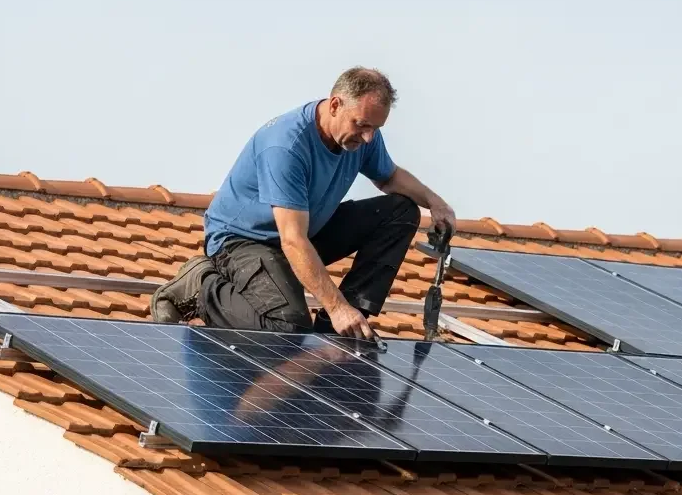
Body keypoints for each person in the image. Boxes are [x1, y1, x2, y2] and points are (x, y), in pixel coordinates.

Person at [150, 67, 456, 340]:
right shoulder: (286, 146)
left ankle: (340, 330)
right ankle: (200, 287)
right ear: (335, 104)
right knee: (288, 329)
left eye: (375, 129)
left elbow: (389, 178)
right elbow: (292, 240)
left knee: (400, 211)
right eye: (362, 125)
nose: (367, 137)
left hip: (304, 231)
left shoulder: (363, 137)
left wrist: (435, 202)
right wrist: (335, 306)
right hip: (243, 242)